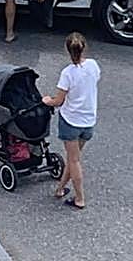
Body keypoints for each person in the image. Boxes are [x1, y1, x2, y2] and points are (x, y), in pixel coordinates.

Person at [41, 32, 100, 210]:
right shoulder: (93, 66)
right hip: (88, 121)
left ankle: (80, 198)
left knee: (74, 161)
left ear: (68, 50)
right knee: (73, 158)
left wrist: (47, 100)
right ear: (85, 48)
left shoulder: (67, 73)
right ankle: (60, 189)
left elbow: (58, 101)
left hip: (71, 121)